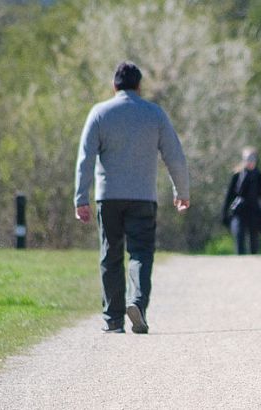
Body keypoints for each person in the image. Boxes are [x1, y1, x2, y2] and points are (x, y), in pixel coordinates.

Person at [74, 61, 190, 334]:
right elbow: (175, 155)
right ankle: (136, 302)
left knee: (110, 255)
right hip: (142, 197)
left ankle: (113, 320)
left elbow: (85, 158)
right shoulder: (154, 114)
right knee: (140, 253)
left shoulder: (100, 113)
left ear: (114, 86)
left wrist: (81, 198)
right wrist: (182, 192)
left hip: (109, 197)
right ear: (139, 86)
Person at [222, 147, 261, 255]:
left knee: (254, 244)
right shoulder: (237, 176)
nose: (250, 161)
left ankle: (253, 268)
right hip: (239, 212)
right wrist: (224, 214)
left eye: (252, 158)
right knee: (239, 239)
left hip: (255, 212)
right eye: (247, 159)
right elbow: (229, 196)